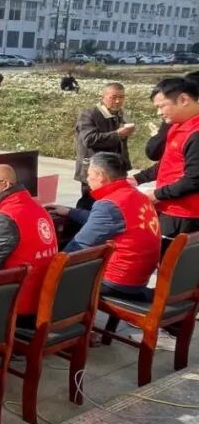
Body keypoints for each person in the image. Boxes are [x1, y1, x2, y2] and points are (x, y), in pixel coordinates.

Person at [48, 152, 161, 301]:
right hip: (139, 277)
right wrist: (70, 212)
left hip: (117, 282)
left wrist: (49, 267)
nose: (87, 179)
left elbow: (79, 246)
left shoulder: (109, 205)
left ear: (100, 176)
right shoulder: (136, 196)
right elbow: (106, 221)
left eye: (89, 175)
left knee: (57, 272)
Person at [0, 165, 58, 324]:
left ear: (5, 184)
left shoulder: (6, 217)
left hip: (18, 305)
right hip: (44, 298)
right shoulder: (36, 206)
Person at [134, 77, 199, 237]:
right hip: (169, 207)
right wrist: (137, 179)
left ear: (183, 99)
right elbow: (169, 163)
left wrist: (156, 195)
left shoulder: (195, 134)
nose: (159, 113)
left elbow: (194, 180)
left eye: (162, 106)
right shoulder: (177, 126)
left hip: (184, 214)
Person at [74, 83, 133, 210]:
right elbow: (89, 139)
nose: (118, 101)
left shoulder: (119, 114)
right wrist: (117, 134)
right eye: (113, 97)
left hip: (113, 171)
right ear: (102, 97)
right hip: (94, 170)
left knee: (109, 205)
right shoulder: (89, 114)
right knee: (89, 204)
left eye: (121, 97)